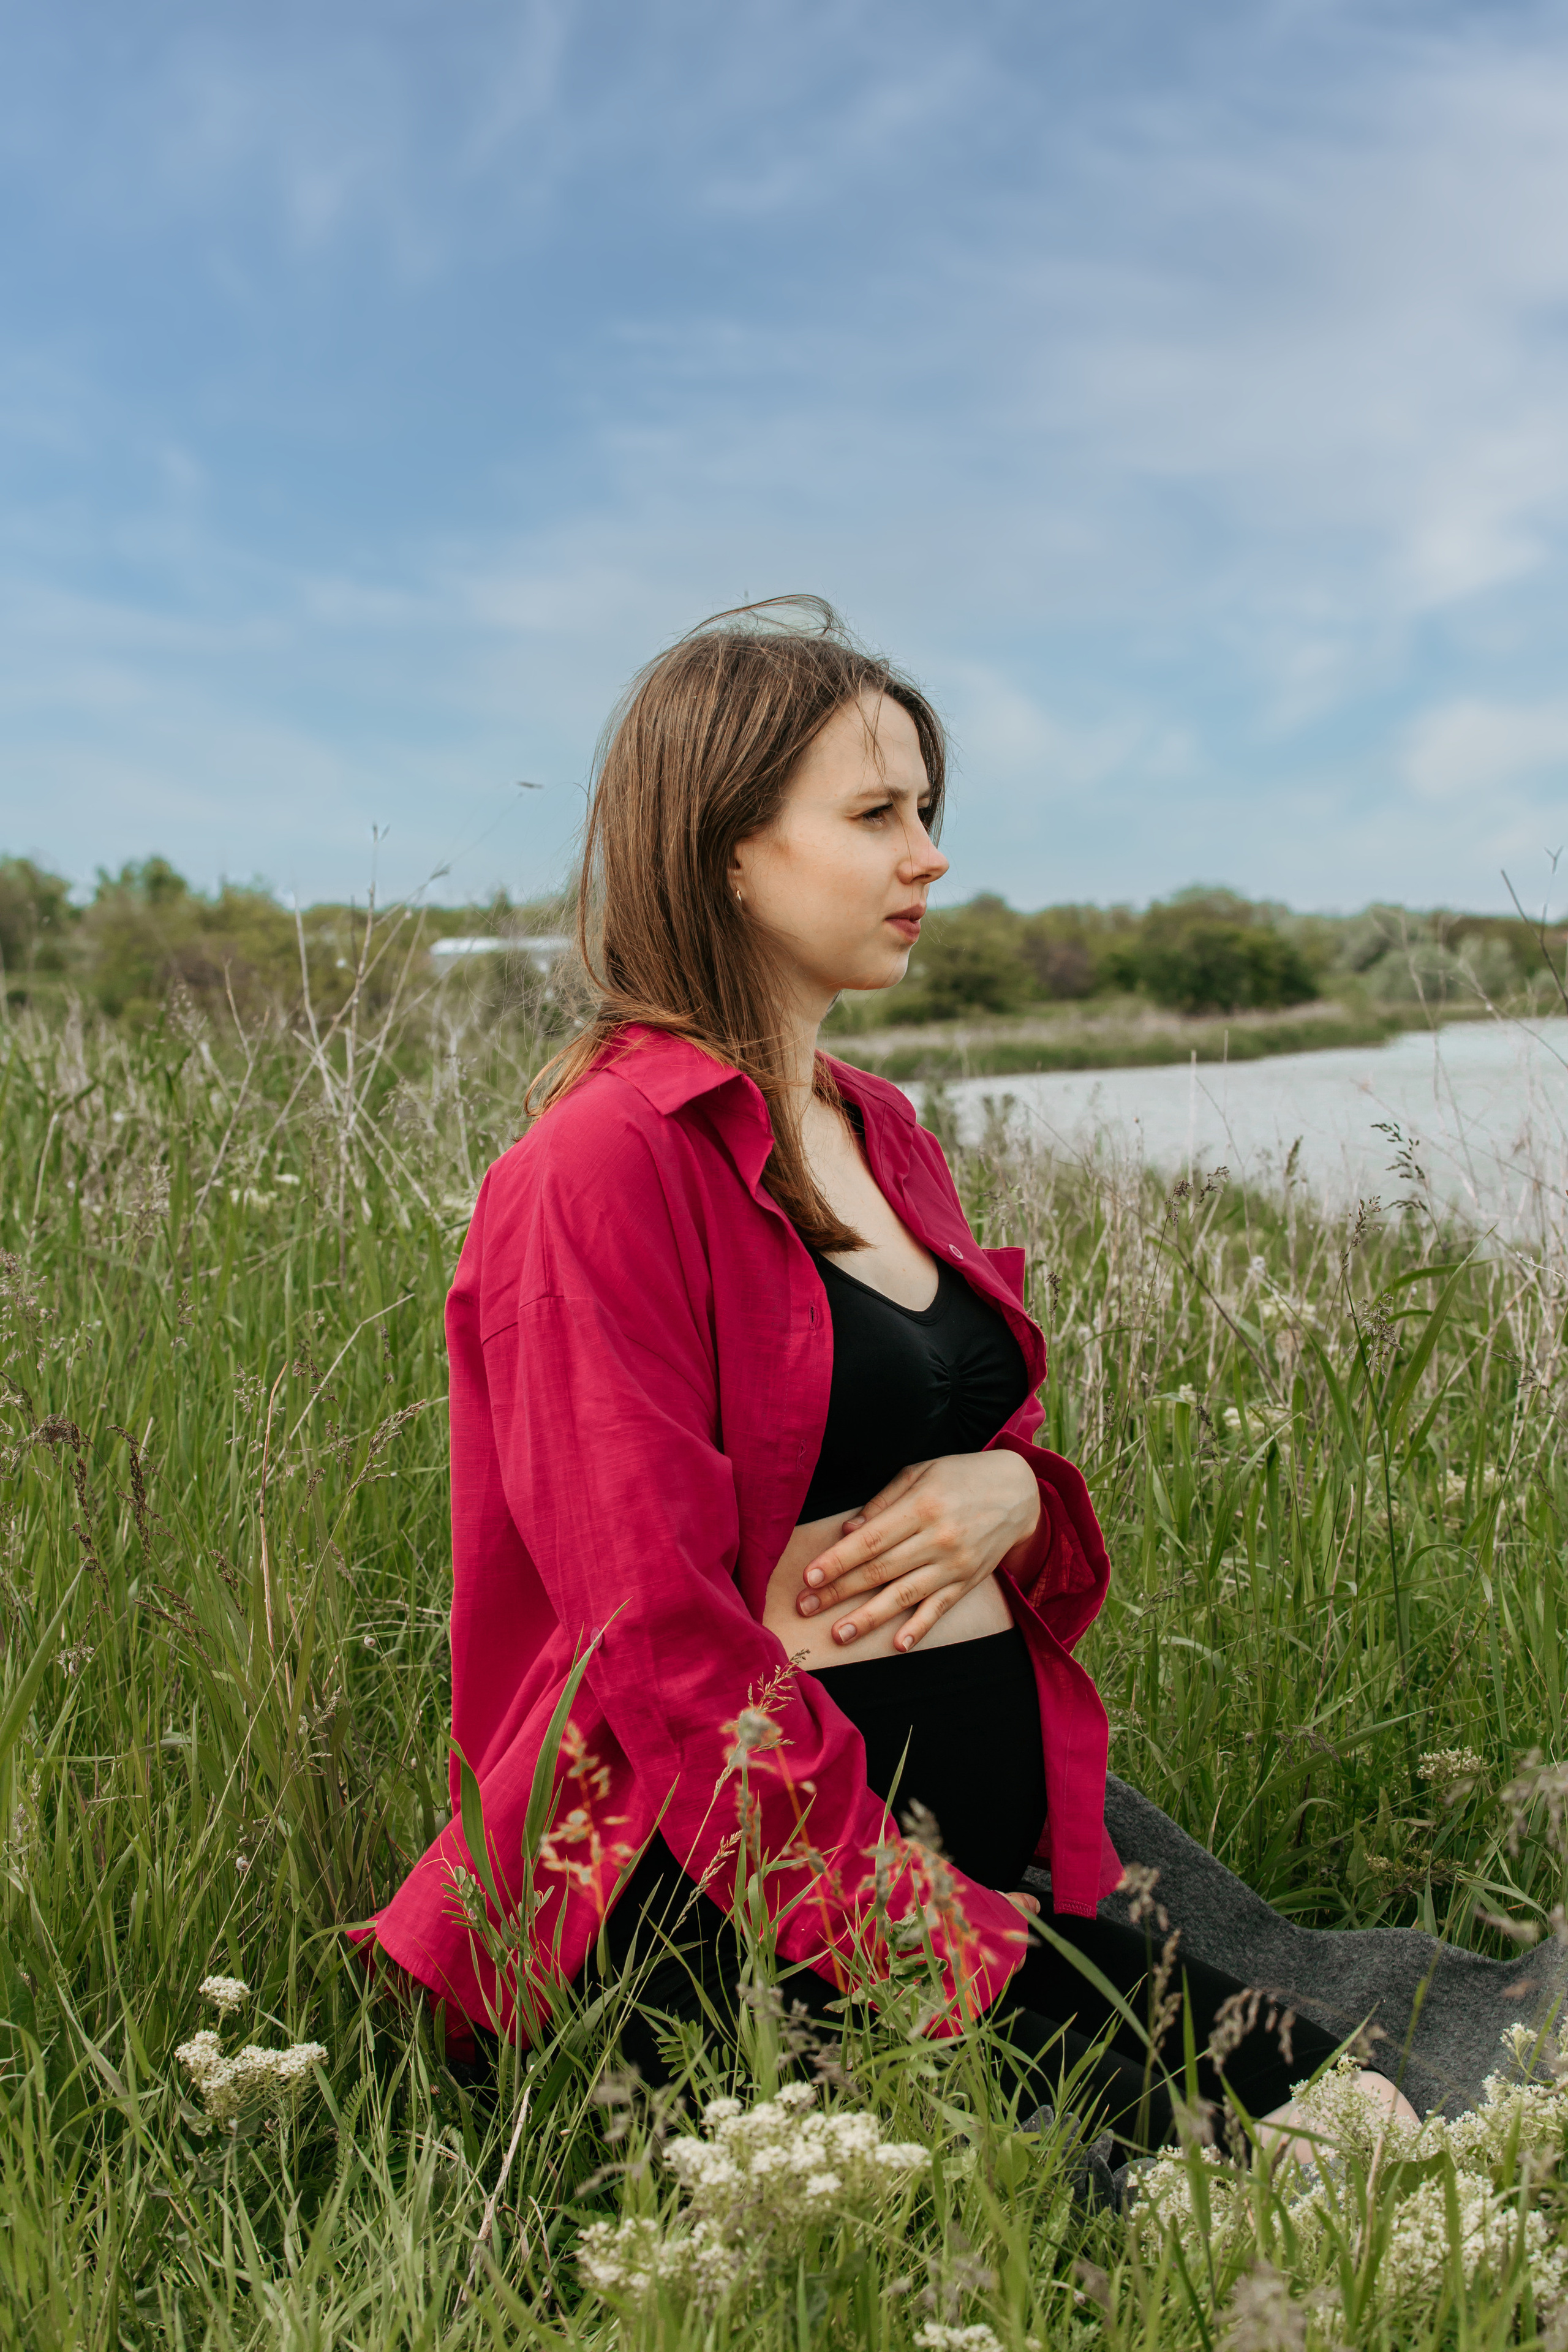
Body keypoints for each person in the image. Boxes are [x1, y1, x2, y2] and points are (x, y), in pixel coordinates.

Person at [356, 599, 1416, 2156]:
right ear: (724, 847)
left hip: (969, 1837)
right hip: (751, 1886)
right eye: (874, 816)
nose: (927, 856)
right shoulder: (596, 1165)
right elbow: (646, 1631)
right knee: (1317, 2143)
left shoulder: (887, 1128)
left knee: (1372, 2127)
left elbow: (969, 1462)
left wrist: (1014, 1492)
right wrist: (924, 1935)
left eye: (926, 811)